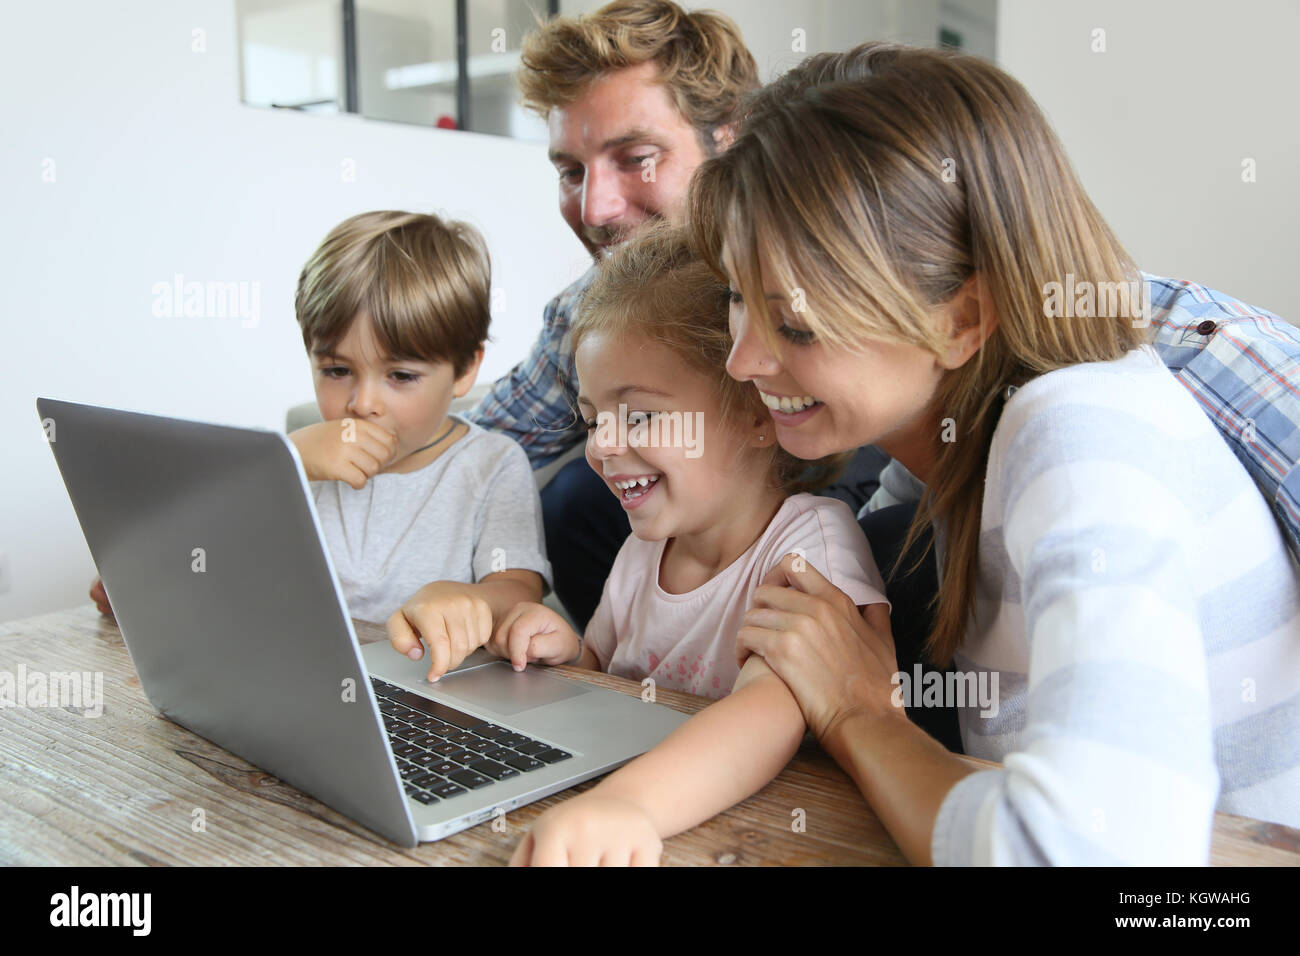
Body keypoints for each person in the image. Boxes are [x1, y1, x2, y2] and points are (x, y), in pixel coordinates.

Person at [685, 42, 1300, 865]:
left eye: (796, 323)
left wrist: (863, 717)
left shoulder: (1082, 436)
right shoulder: (946, 454)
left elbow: (1085, 856)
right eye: (736, 297)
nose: (744, 360)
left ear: (963, 318)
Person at [459, 224, 887, 865]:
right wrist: (560, 648)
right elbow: (600, 678)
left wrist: (630, 804)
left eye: (639, 415)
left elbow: (769, 714)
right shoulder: (643, 550)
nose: (600, 445)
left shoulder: (808, 546)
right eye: (594, 418)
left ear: (756, 413)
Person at [464, 0, 889, 634]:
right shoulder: (593, 309)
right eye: (571, 171)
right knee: (575, 498)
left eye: (636, 158)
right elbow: (480, 449)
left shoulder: (828, 267)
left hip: (849, 523)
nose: (597, 209)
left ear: (731, 138)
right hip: (668, 587)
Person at [93, 210, 554, 662]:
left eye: (400, 375)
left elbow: (515, 590)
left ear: (465, 370)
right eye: (337, 370)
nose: (362, 402)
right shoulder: (291, 459)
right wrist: (283, 463)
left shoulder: (491, 464)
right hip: (294, 667)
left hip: (425, 687)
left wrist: (464, 598)